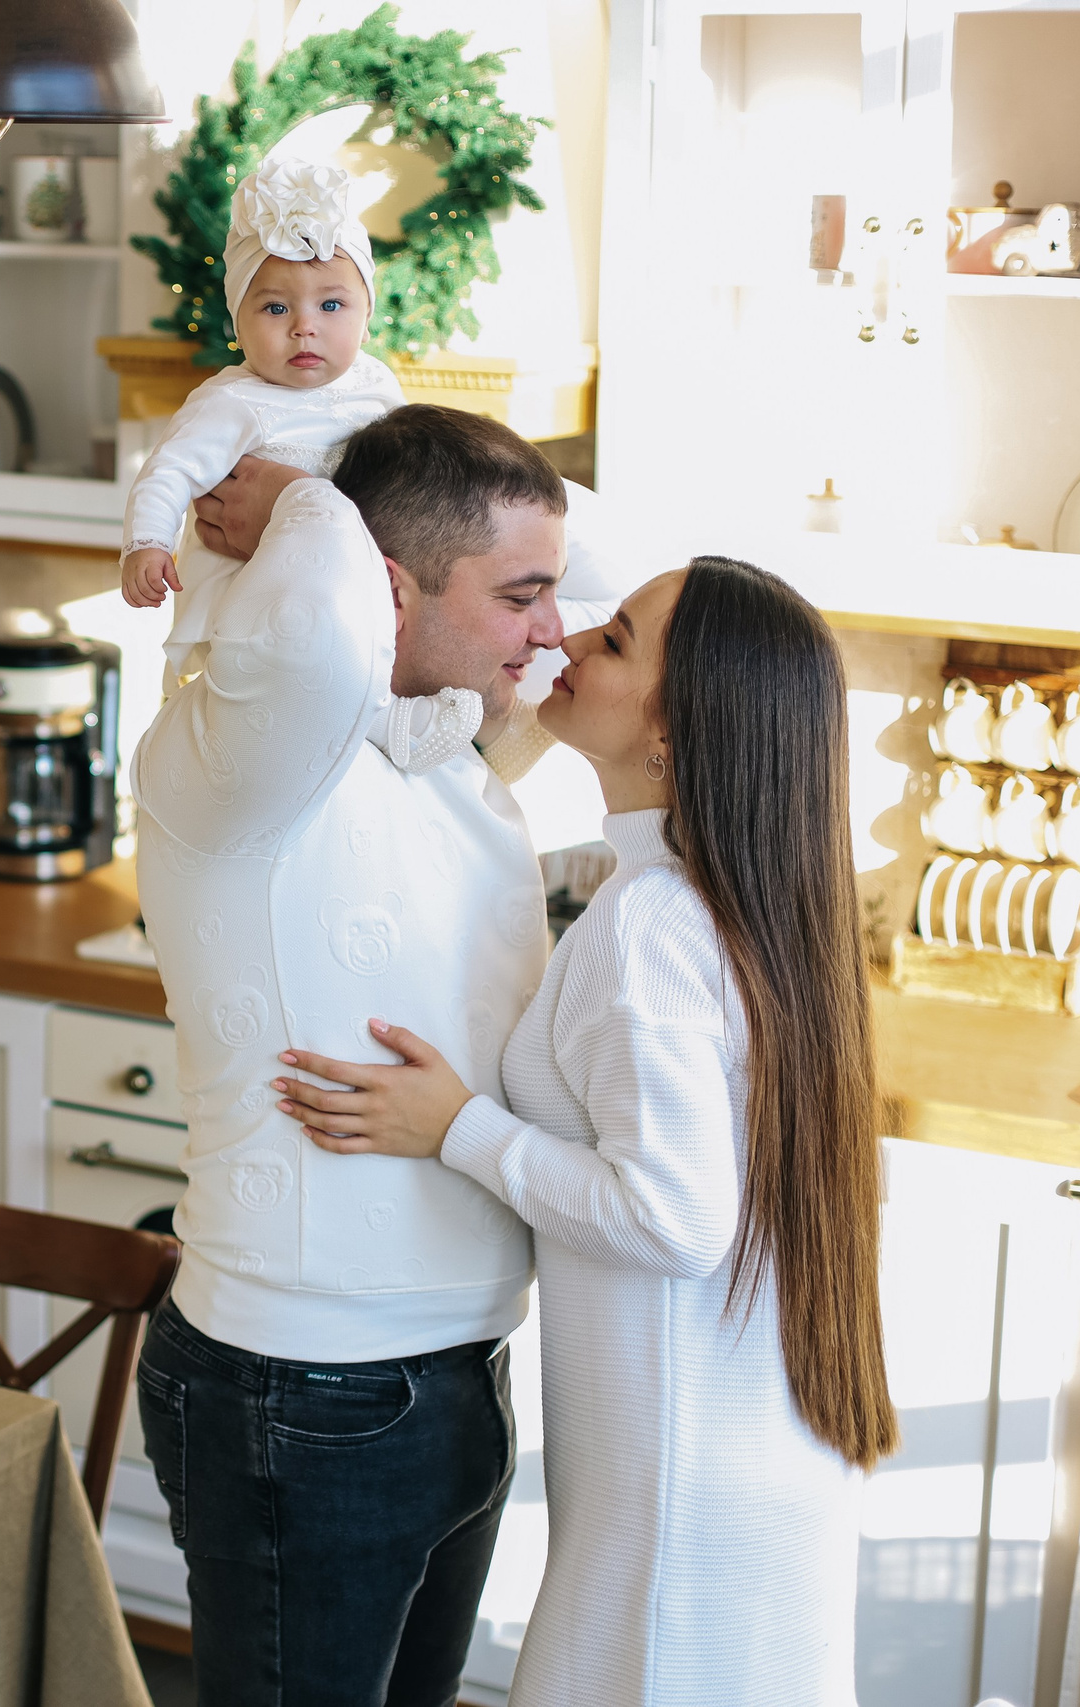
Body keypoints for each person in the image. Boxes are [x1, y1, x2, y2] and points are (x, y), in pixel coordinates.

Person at [274, 558, 899, 1705]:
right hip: (749, 1462)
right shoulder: (731, 900)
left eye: (612, 641)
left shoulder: (655, 926)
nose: (566, 641)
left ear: (675, 735)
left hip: (679, 1506)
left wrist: (455, 1127)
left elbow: (674, 1216)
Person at [130, 404, 619, 1707]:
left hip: (457, 1367)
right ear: (387, 582)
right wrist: (305, 492)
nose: (555, 626)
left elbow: (629, 588)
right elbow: (322, 619)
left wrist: (380, 510)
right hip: (301, 1390)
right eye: (521, 594)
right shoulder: (243, 757)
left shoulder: (457, 755)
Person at [119, 157, 405, 687]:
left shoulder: (378, 386)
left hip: (345, 599)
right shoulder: (233, 401)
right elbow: (169, 471)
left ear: (367, 316)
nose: (304, 328)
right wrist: (148, 543)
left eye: (332, 305)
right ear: (238, 321)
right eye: (275, 309)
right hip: (244, 604)